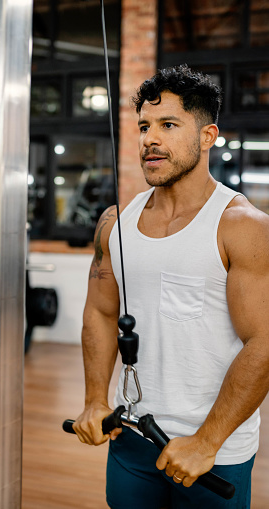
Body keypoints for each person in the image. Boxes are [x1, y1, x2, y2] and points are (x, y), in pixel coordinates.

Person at [72, 64, 269, 508]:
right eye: (144, 126)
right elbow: (101, 312)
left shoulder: (242, 228)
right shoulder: (114, 222)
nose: (149, 138)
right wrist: (93, 400)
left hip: (214, 451)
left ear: (206, 136)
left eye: (168, 125)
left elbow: (264, 342)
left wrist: (207, 441)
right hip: (132, 438)